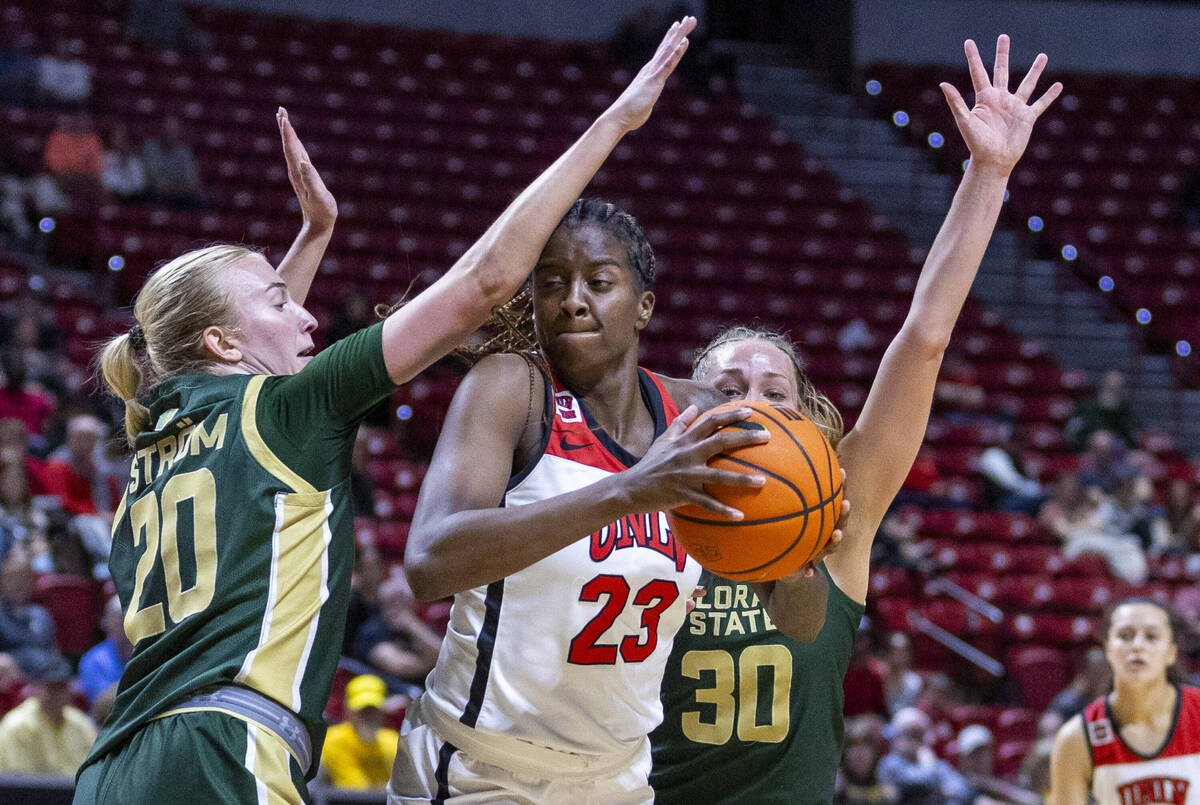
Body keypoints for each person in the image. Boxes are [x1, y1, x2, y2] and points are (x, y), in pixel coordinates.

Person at [74, 21, 702, 804]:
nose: (307, 315)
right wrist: (615, 121)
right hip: (223, 753)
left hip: (115, 764)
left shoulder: (155, 440)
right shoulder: (289, 409)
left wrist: (313, 238)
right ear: (223, 340)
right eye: (280, 300)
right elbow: (485, 281)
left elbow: (237, 362)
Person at [650, 34, 1061, 804]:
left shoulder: (841, 512)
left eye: (774, 392)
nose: (751, 403)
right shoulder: (636, 510)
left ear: (808, 421)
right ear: (684, 410)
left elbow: (925, 337)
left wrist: (988, 175)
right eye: (727, 388)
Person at [386, 22, 754, 803]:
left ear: (644, 305)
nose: (572, 299)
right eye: (551, 283)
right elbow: (429, 561)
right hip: (480, 770)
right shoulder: (510, 387)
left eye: (599, 282)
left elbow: (800, 606)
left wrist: (810, 536)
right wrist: (628, 491)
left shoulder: (694, 414)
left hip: (618, 779)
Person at [1049, 597, 1200, 804]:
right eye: (1125, 635)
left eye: (1151, 636)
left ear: (1171, 652)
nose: (1137, 646)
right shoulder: (1076, 737)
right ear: (1108, 649)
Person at [0, 653, 96, 776]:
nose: (58, 694)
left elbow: (94, 768)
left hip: (77, 786)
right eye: (51, 687)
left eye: (62, 686)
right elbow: (17, 779)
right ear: (35, 688)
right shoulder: (17, 726)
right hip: (31, 788)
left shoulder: (80, 723)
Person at [353, 573, 442, 691]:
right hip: (387, 691)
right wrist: (435, 663)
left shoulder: (420, 627)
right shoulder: (372, 631)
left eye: (403, 602)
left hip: (427, 690)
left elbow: (444, 655)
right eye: (392, 602)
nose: (397, 608)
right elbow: (402, 666)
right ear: (383, 604)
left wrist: (412, 626)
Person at [877, 707, 973, 805]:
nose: (913, 741)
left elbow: (962, 787)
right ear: (896, 736)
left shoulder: (932, 763)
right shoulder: (890, 763)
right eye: (908, 734)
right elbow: (915, 781)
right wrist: (930, 767)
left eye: (918, 735)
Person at [321, 674, 400, 790]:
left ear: (383, 710)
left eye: (373, 709)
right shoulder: (334, 740)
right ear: (347, 709)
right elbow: (356, 791)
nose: (368, 716)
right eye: (362, 710)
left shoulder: (394, 742)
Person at [78, 595, 132, 705]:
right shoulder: (93, 660)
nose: (125, 627)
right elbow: (103, 703)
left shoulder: (146, 653)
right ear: (107, 623)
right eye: (120, 621)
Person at [1065, 370, 1137, 452]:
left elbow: (1130, 435)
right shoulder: (1086, 406)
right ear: (1104, 384)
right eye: (1111, 386)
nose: (1115, 388)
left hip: (1118, 451)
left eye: (1119, 386)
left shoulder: (1124, 409)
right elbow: (1072, 432)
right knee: (1102, 440)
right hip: (1088, 449)